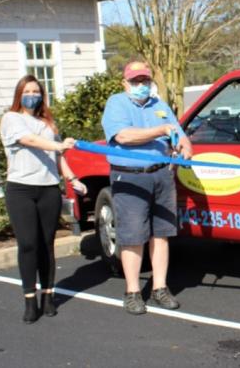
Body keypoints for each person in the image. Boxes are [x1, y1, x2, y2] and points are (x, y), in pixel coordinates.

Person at [101, 61, 192, 315]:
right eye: (135, 81)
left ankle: (159, 288)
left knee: (161, 235)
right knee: (133, 236)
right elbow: (123, 136)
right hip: (130, 178)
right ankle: (132, 292)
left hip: (161, 176)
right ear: (125, 83)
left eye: (144, 81)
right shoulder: (116, 104)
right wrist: (161, 130)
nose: (141, 86)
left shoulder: (160, 106)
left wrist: (185, 147)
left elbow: (179, 134)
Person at [0, 75, 87, 323]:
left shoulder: (48, 123)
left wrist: (72, 179)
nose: (32, 95)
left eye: (36, 91)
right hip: (21, 190)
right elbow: (29, 140)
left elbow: (58, 157)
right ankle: (30, 299)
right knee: (28, 244)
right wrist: (57, 146)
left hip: (48, 189)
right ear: (19, 94)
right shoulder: (11, 119)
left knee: (46, 244)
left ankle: (48, 295)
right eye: (27, 91)